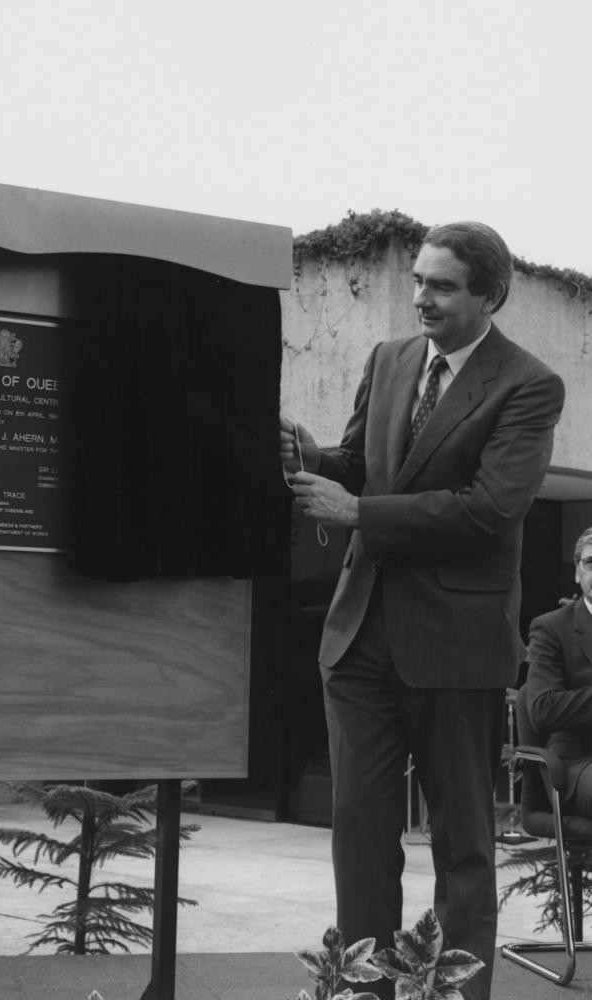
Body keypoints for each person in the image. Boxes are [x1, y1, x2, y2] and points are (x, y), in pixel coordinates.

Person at [280, 221, 565, 1000]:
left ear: (489, 294)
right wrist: (308, 456)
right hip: (358, 639)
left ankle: (451, 995)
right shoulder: (388, 359)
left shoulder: (529, 385)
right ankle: (365, 989)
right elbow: (357, 466)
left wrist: (357, 512)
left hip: (456, 646)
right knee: (360, 837)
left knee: (461, 844)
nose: (419, 300)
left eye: (439, 286)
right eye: (416, 281)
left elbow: (487, 510)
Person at [525, 527, 592, 817]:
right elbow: (541, 708)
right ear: (577, 573)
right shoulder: (552, 628)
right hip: (579, 761)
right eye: (591, 563)